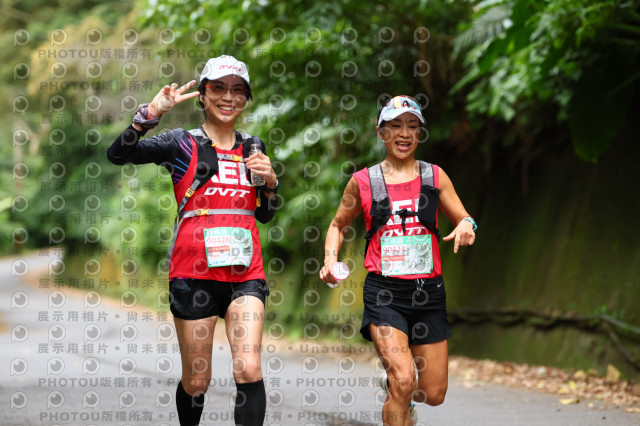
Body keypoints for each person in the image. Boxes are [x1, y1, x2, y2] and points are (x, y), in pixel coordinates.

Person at [107, 55, 279, 426]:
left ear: (246, 97)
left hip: (245, 273)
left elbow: (265, 213)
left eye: (237, 90)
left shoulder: (254, 146)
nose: (228, 97)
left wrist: (270, 182)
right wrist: (149, 115)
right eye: (218, 88)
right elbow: (118, 154)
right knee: (197, 380)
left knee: (248, 367)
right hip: (193, 275)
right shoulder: (180, 143)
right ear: (202, 95)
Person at [319, 96, 476, 426]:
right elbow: (337, 225)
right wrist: (330, 260)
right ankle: (397, 387)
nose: (404, 133)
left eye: (412, 126)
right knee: (404, 379)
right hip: (385, 294)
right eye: (395, 126)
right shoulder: (364, 181)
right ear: (381, 132)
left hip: (429, 293)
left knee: (433, 393)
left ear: (419, 133)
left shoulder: (434, 176)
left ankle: (399, 393)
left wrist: (466, 225)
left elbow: (464, 217)